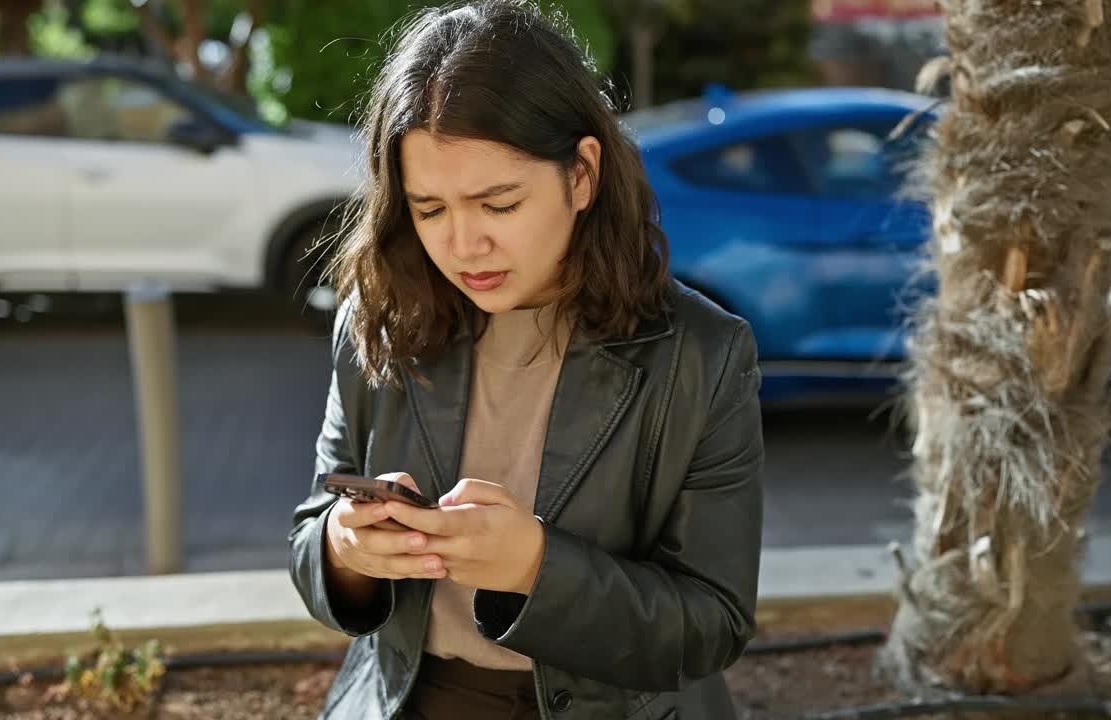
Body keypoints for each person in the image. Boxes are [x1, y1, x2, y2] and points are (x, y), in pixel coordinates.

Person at [288, 2, 764, 718]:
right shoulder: (377, 317)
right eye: (429, 209)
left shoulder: (703, 355)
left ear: (582, 174)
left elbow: (712, 625)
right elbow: (309, 538)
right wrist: (343, 549)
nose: (462, 245)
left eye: (498, 204)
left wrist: (540, 569)